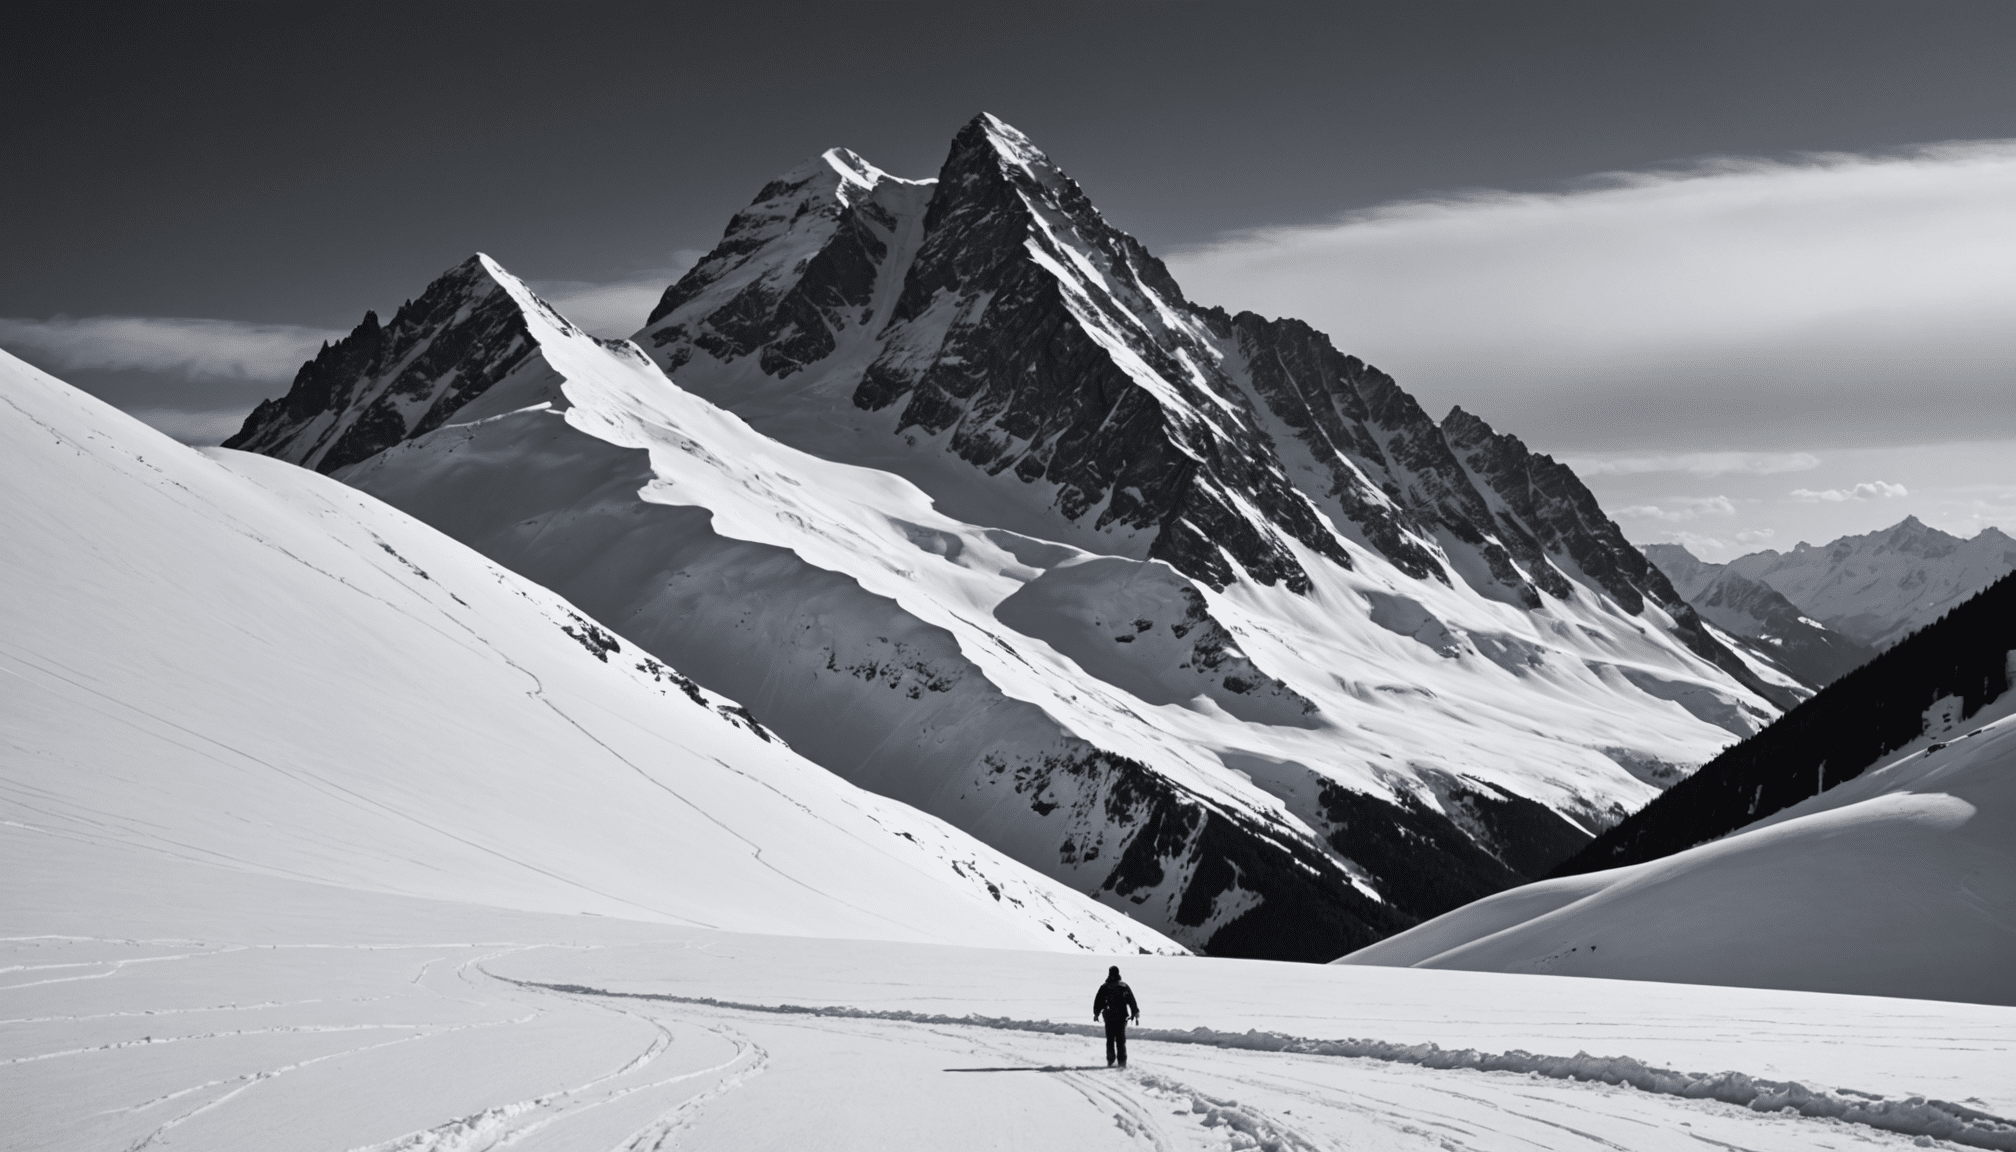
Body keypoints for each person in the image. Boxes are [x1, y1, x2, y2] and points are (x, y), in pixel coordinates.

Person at [1092, 965, 1140, 1067]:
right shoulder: (1124, 986)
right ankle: (1122, 1061)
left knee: (1110, 1040)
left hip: (1109, 1018)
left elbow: (1098, 1001)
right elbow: (1131, 1001)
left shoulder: (1105, 987)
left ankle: (1111, 1060)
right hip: (1121, 1018)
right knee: (1120, 1040)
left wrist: (1096, 1014)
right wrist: (1135, 1012)